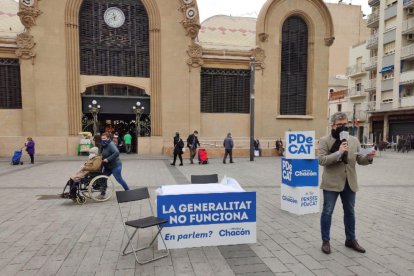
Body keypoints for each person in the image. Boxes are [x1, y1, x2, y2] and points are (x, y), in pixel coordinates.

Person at [318, 112, 376, 255]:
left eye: (345, 124)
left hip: (349, 182)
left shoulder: (354, 140)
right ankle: (326, 241)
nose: (343, 127)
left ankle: (350, 239)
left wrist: (368, 157)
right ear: (333, 125)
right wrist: (338, 153)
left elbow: (359, 160)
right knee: (327, 212)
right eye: (340, 125)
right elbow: (322, 160)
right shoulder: (325, 140)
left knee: (350, 212)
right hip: (331, 183)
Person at [101, 132, 130, 198]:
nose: (103, 139)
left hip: (115, 166)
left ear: (108, 138)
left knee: (119, 179)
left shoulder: (111, 144)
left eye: (104, 138)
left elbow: (116, 152)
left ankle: (128, 191)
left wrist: (108, 159)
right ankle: (102, 194)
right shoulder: (104, 144)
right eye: (102, 138)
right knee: (103, 178)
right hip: (108, 166)